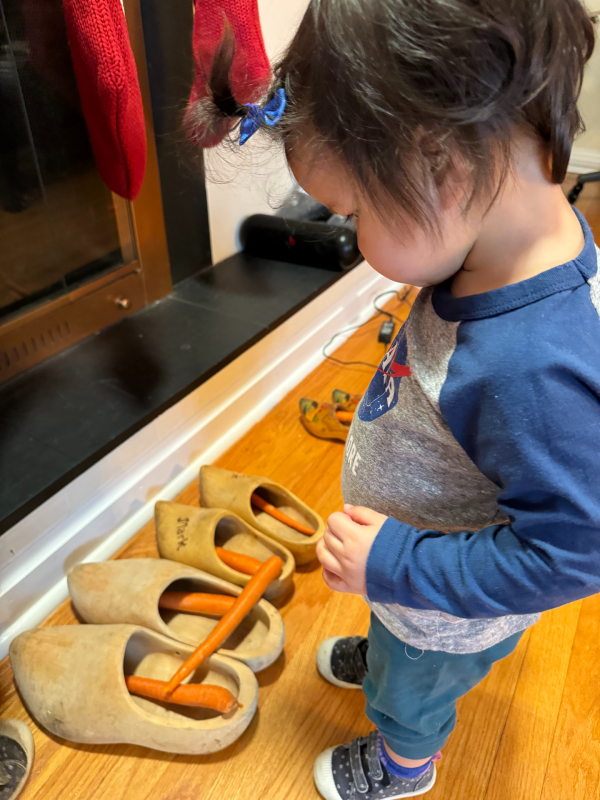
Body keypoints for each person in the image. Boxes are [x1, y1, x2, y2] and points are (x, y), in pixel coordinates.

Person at [189, 0, 598, 797]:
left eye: (354, 212)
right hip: (414, 568)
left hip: (444, 610)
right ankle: (392, 646)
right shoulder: (502, 251)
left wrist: (398, 566)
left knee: (407, 697)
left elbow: (576, 550)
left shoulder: (530, 368)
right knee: (397, 649)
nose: (351, 236)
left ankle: (401, 762)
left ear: (441, 163)